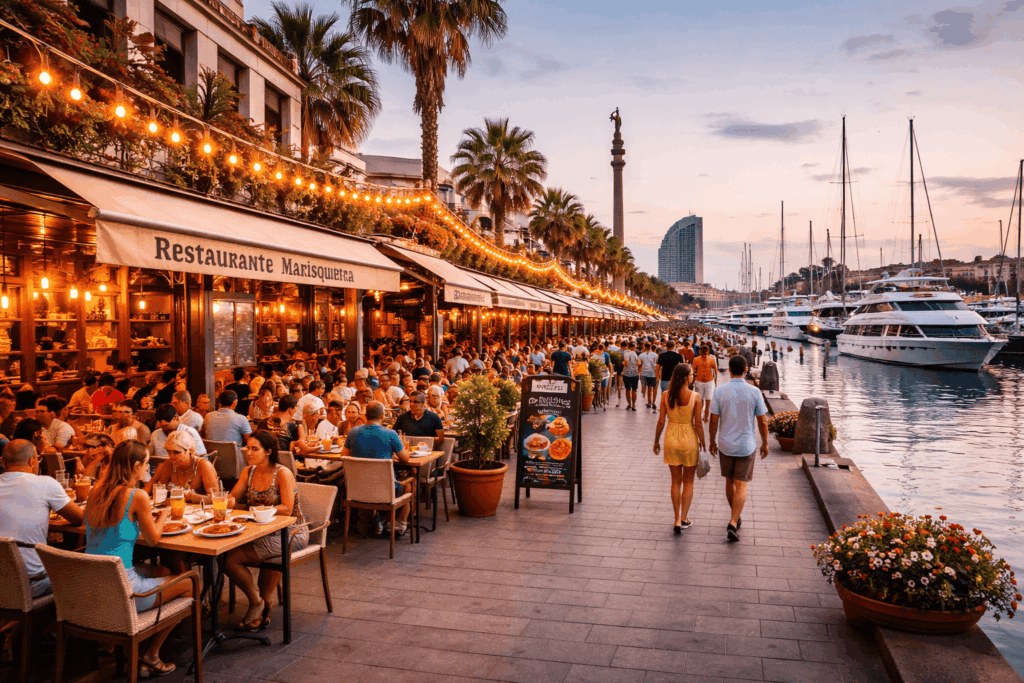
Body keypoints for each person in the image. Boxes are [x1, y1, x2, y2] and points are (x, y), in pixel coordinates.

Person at [85, 440, 195, 677]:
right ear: (135, 465)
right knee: (190, 583)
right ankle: (151, 653)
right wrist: (164, 513)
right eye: (146, 463)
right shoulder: (137, 496)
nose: (148, 468)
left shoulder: (95, 490)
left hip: (91, 585)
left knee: (164, 570)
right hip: (125, 590)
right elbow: (154, 539)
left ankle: (118, 641)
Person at [223, 430, 307, 631]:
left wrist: (257, 509)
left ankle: (257, 603)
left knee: (230, 559)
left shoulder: (282, 473)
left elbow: (287, 508)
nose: (248, 453)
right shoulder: (248, 472)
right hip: (260, 529)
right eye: (247, 448)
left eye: (255, 449)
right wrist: (225, 501)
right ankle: (259, 601)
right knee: (224, 554)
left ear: (268, 451)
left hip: (291, 532)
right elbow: (233, 499)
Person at [0, 440, 84, 597]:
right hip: (31, 584)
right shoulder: (45, 484)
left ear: (2, 462)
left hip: (4, 581)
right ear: (32, 461)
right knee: (81, 571)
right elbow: (79, 519)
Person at [708, 355, 769, 543]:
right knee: (741, 484)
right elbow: (763, 421)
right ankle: (733, 521)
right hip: (746, 444)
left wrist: (712, 441)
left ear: (730, 369)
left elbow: (713, 420)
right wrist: (765, 443)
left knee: (729, 481)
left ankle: (735, 515)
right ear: (745, 370)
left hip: (725, 444)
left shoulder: (719, 391)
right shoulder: (754, 391)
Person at [339, 401, 412, 536]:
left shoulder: (353, 432)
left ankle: (378, 519)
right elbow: (405, 459)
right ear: (382, 416)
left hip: (357, 488)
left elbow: (343, 455)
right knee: (408, 485)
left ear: (365, 416)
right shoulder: (391, 434)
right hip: (384, 489)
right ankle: (398, 523)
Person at [653, 364, 704, 534]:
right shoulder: (695, 397)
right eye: (691, 374)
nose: (693, 376)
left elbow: (661, 421)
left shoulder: (666, 395)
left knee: (675, 481)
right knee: (688, 481)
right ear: (685, 377)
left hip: (671, 438)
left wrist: (656, 441)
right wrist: (703, 442)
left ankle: (675, 519)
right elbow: (698, 423)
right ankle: (684, 518)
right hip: (689, 440)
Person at [146, 430, 218, 503]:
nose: (171, 456)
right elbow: (161, 493)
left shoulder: (204, 466)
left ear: (190, 451)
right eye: (168, 451)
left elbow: (216, 499)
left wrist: (192, 497)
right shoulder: (168, 465)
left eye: (177, 452)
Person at [693, 344, 718, 422]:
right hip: (699, 381)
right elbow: (693, 370)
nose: (704, 354)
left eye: (706, 353)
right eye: (703, 353)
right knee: (700, 400)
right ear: (700, 352)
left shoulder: (712, 360)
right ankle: (699, 416)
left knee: (708, 400)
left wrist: (715, 382)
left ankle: (706, 417)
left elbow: (715, 371)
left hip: (709, 382)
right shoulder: (696, 360)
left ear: (708, 352)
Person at [638, 341, 659, 409]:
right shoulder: (655, 355)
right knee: (654, 388)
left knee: (648, 388)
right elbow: (657, 364)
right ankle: (653, 402)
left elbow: (639, 364)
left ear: (645, 347)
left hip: (644, 372)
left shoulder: (641, 355)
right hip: (652, 373)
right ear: (651, 347)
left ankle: (649, 402)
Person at [621, 341, 640, 411]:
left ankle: (629, 404)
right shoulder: (635, 353)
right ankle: (634, 405)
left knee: (628, 389)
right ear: (632, 347)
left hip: (627, 373)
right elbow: (639, 362)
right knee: (634, 390)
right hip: (635, 373)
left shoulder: (625, 353)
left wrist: (624, 364)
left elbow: (626, 362)